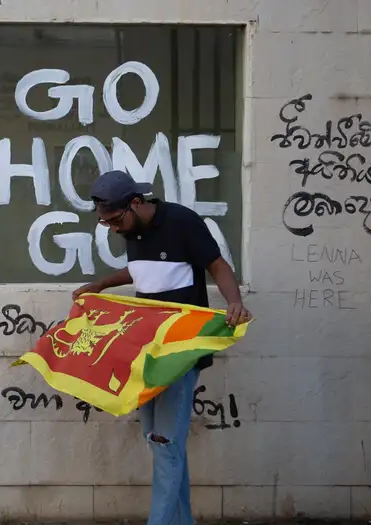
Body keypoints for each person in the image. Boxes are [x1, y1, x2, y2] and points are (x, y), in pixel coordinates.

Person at [73, 169, 251, 525]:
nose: (114, 229)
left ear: (136, 203)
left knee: (165, 443)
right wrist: (102, 284)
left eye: (115, 220)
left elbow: (217, 265)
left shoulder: (182, 221)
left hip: (181, 353)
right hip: (148, 352)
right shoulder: (131, 229)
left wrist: (234, 302)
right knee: (159, 441)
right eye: (107, 223)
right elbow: (143, 271)